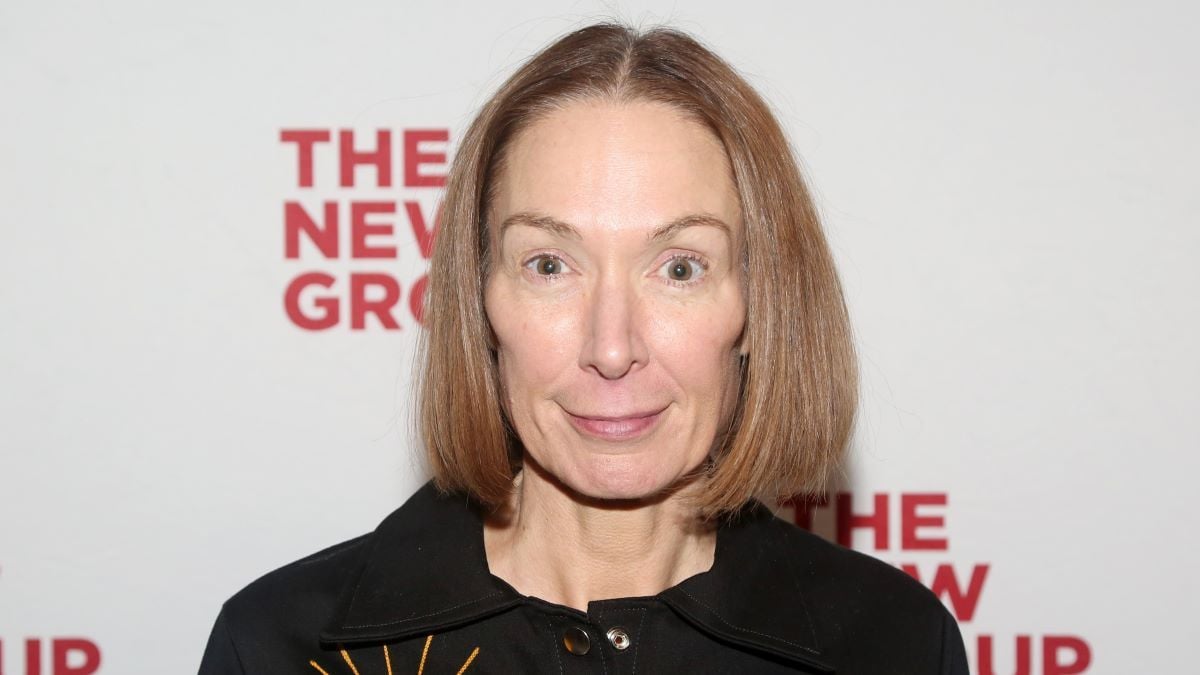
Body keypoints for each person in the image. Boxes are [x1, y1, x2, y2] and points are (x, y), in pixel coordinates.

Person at [200, 21, 968, 674]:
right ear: (480, 300)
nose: (611, 347)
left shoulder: (892, 644)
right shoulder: (278, 647)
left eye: (678, 267)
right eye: (549, 265)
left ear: (760, 304)